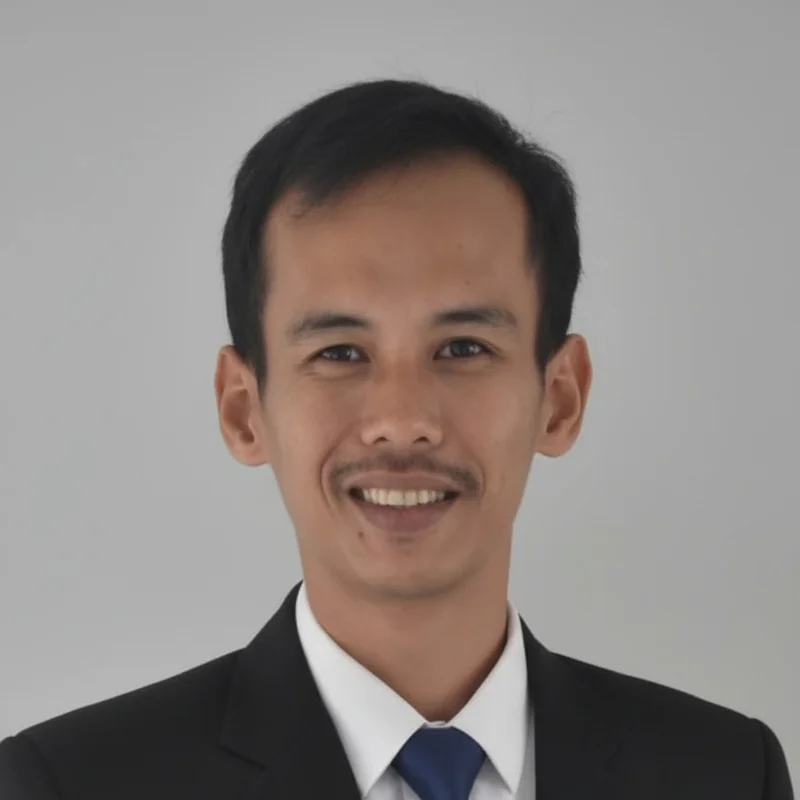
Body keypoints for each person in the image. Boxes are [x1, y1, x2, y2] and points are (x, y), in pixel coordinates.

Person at [0, 78, 793, 800]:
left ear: (560, 397)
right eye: (340, 353)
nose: (403, 417)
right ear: (244, 410)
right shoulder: (70, 785)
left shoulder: (726, 774)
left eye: (463, 348)